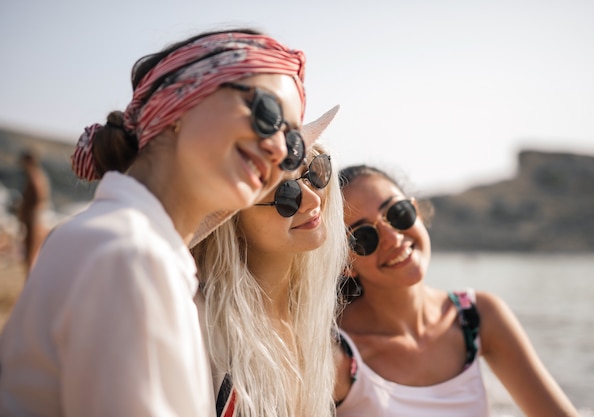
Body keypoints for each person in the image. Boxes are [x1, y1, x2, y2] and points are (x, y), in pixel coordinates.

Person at [0, 29, 331, 417]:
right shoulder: (131, 255)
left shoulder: (111, 237)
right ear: (181, 101)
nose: (278, 148)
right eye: (267, 114)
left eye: (292, 144)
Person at [333, 165, 579, 417]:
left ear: (415, 211)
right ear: (345, 263)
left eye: (397, 213)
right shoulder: (335, 354)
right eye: (363, 236)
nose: (392, 238)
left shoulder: (477, 316)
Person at [191, 140, 349, 417]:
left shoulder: (310, 318)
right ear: (230, 219)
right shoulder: (200, 324)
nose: (313, 200)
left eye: (314, 173)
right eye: (285, 194)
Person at [16, 150, 51, 271]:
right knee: (31, 255)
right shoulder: (38, 175)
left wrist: (25, 211)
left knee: (30, 256)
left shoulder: (34, 176)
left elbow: (38, 198)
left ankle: (31, 285)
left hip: (33, 220)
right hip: (35, 219)